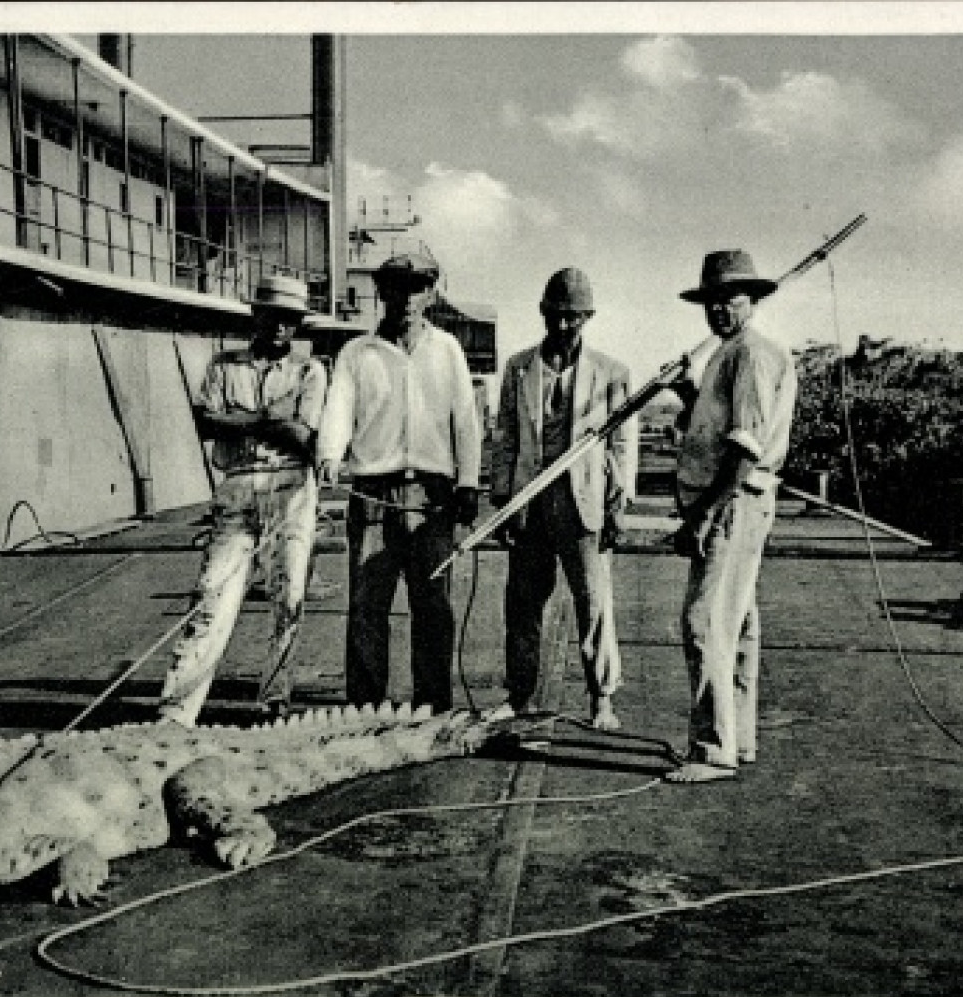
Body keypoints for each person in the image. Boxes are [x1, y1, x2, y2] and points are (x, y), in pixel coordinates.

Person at [315, 251, 483, 712]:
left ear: (429, 294)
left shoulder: (447, 348)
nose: (406, 298)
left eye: (417, 288)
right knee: (369, 604)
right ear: (381, 292)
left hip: (433, 495)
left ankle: (433, 707)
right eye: (396, 287)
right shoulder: (357, 352)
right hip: (373, 493)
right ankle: (366, 708)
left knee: (433, 605)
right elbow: (338, 408)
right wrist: (330, 453)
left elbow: (465, 420)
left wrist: (467, 480)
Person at [158, 275, 328, 724]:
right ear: (257, 316)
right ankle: (177, 711)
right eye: (274, 317)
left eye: (290, 321)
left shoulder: (310, 371)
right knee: (211, 596)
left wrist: (240, 420)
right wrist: (270, 417)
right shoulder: (222, 365)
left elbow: (302, 435)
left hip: (291, 489)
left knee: (288, 595)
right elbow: (206, 424)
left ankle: (275, 701)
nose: (281, 329)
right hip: (237, 487)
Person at [666, 249, 797, 783]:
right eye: (712, 301)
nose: (720, 309)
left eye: (730, 299)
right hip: (736, 502)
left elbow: (745, 448)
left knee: (705, 622)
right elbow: (720, 423)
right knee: (737, 623)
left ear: (753, 301)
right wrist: (685, 391)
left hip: (734, 502)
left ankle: (711, 749)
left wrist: (703, 515)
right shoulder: (730, 353)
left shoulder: (753, 354)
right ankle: (736, 739)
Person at [488, 268, 635, 730]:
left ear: (588, 317)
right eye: (556, 315)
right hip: (530, 503)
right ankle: (520, 695)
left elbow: (623, 445)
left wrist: (618, 504)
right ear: (543, 313)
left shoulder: (612, 372)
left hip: (583, 503)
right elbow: (506, 438)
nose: (564, 325)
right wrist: (503, 501)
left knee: (593, 602)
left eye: (574, 317)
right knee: (523, 604)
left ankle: (602, 699)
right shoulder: (517, 368)